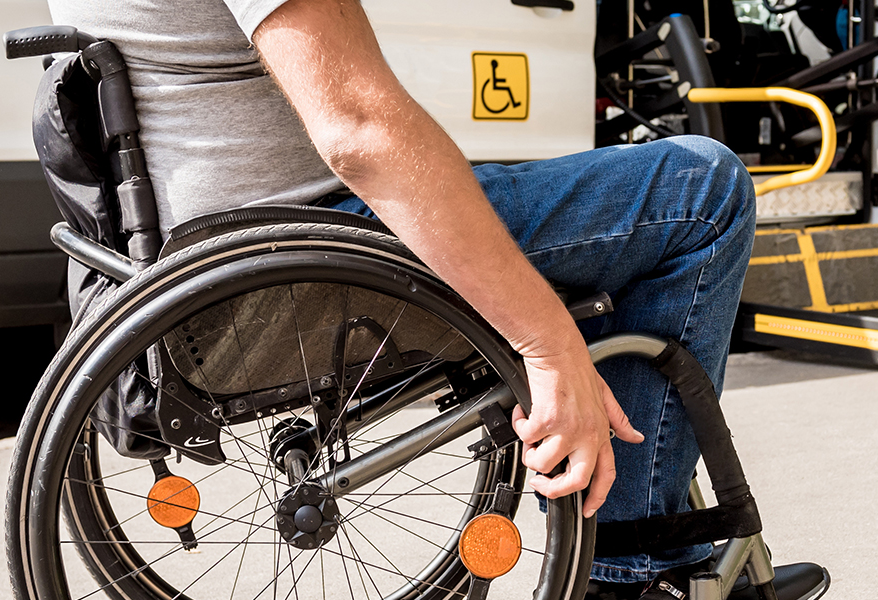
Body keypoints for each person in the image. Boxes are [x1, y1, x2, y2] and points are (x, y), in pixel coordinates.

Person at [46, 0, 756, 596]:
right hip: (307, 248)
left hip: (202, 263)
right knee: (702, 187)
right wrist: (546, 342)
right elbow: (359, 133)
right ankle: (626, 569)